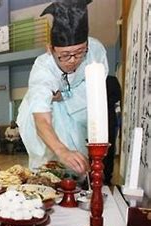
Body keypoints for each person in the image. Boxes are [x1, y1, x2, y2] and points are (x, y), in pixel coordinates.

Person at [17, 0, 108, 175]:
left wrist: (66, 96)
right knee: (46, 166)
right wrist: (61, 151)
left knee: (79, 161)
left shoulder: (95, 50)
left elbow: (95, 88)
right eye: (65, 55)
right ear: (50, 49)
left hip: (76, 111)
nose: (73, 60)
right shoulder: (43, 67)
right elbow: (41, 118)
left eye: (80, 52)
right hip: (45, 114)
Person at [103, 75, 121, 185]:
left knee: (109, 147)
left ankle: (107, 176)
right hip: (93, 117)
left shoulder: (111, 79)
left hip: (109, 117)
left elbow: (117, 97)